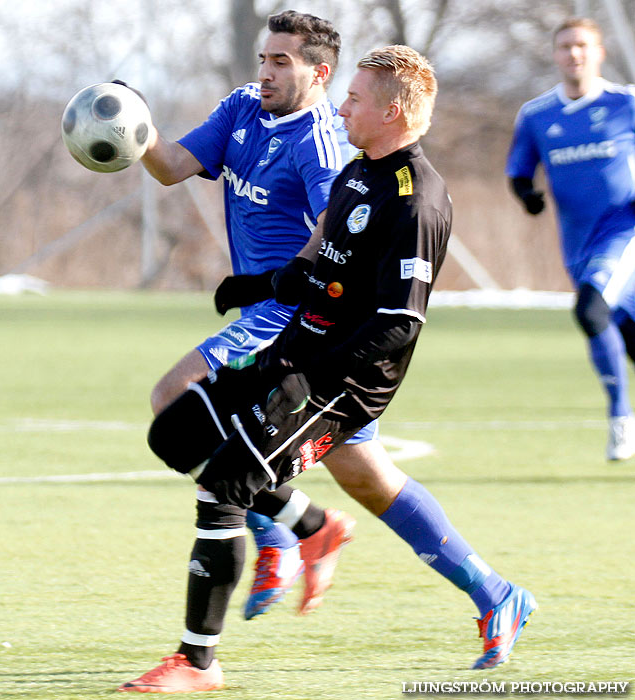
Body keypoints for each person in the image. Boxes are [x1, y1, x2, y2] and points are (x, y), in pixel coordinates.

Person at [118, 44, 537, 694]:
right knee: (175, 432)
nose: (341, 106)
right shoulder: (357, 174)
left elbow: (399, 324)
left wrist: (312, 379)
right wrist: (257, 286)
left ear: (393, 111)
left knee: (226, 485)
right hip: (298, 350)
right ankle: (339, 537)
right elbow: (315, 262)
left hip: (340, 385)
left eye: (355, 99)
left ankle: (199, 661)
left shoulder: (416, 200)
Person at [129, 9, 413, 622]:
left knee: (175, 401)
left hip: (290, 318)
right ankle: (490, 591)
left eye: (281, 62)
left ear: (320, 73)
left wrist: (292, 294)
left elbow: (341, 240)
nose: (266, 72)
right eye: (264, 58)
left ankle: (296, 531)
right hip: (264, 313)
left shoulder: (320, 146)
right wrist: (137, 131)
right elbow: (172, 167)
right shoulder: (239, 109)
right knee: (369, 478)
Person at [507, 17, 635, 461]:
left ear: (598, 52)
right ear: (556, 54)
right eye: (565, 46)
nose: (573, 54)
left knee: (590, 310)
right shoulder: (538, 114)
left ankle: (622, 420)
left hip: (625, 230)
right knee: (621, 332)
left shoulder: (627, 104)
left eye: (582, 45)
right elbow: (519, 169)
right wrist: (527, 195)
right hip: (576, 241)